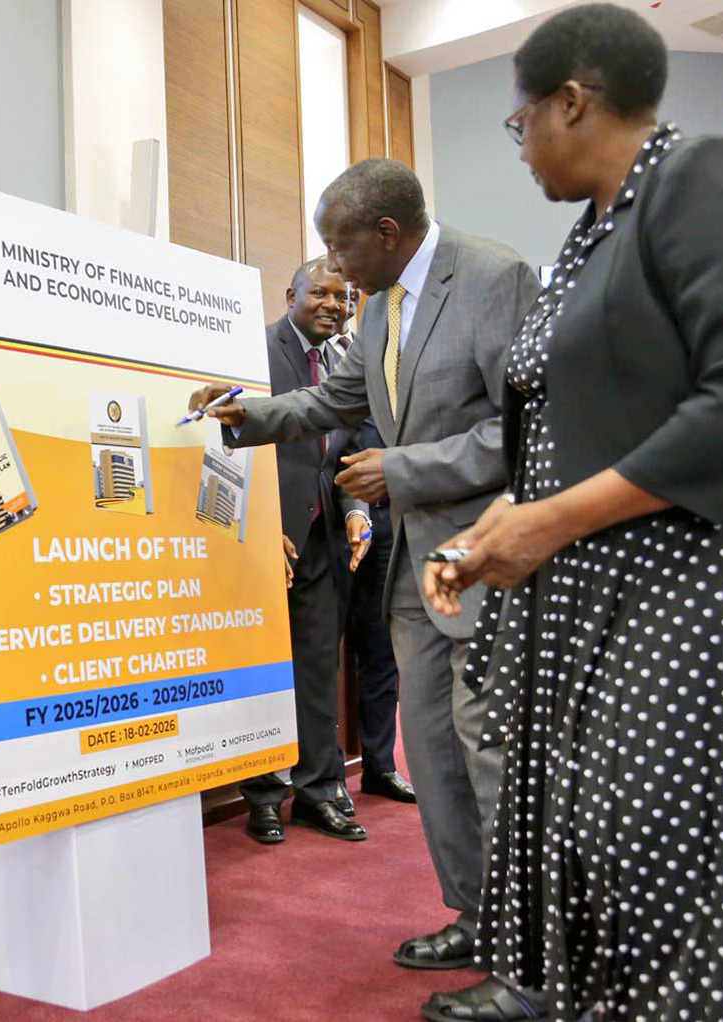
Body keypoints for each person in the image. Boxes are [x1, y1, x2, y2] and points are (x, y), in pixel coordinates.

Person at [421, 6, 723, 1021]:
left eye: (518, 125)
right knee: (592, 836)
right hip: (600, 578)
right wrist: (489, 530)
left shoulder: (700, 174)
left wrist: (546, 524)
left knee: (659, 841)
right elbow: (584, 427)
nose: (521, 148)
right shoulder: (592, 232)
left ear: (571, 101)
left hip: (698, 574)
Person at [189, 159, 540, 969]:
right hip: (411, 572)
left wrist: (403, 471)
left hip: (485, 557)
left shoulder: (494, 278)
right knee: (436, 749)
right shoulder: (381, 309)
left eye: (339, 245)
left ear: (387, 232)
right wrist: (242, 413)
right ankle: (476, 917)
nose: (333, 266)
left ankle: (528, 939)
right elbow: (331, 401)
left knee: (489, 748)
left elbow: (526, 432)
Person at [241, 258, 372, 845]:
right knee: (266, 672)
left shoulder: (346, 361)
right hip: (268, 538)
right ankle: (265, 796)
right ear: (290, 293)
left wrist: (356, 513)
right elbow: (229, 442)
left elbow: (348, 452)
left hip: (324, 538)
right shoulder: (253, 349)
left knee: (320, 667)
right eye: (319, 292)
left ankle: (319, 792)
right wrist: (260, 525)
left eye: (343, 297)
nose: (333, 305)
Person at [328, 289, 416, 806]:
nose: (342, 304)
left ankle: (380, 766)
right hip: (329, 522)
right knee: (325, 654)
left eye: (349, 297)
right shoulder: (319, 358)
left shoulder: (397, 356)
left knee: (381, 653)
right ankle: (321, 773)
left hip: (389, 516)